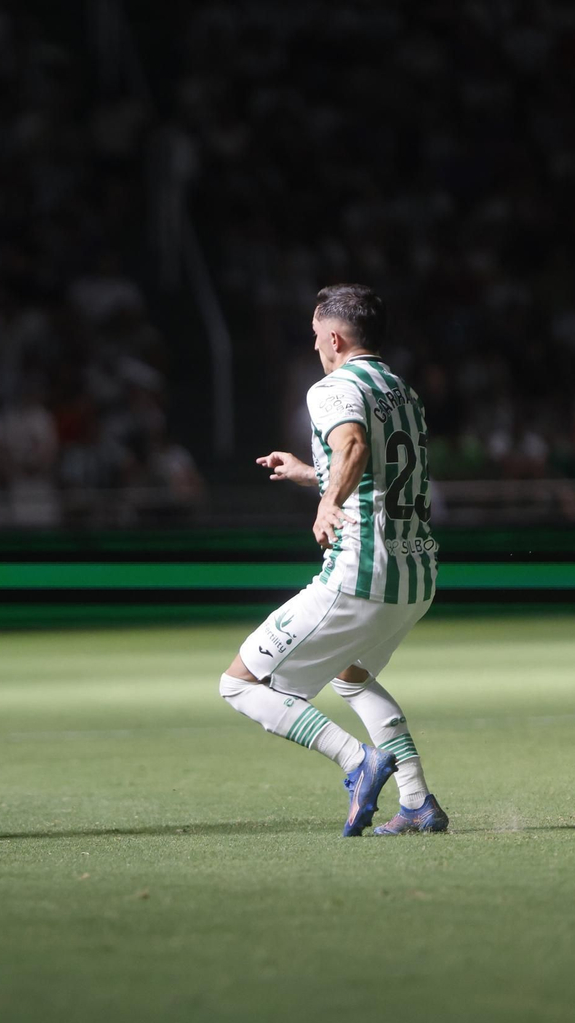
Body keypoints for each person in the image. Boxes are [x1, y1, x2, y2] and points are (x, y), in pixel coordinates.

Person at [219, 284, 446, 836]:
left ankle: (357, 760)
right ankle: (417, 802)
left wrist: (327, 502)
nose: (315, 344)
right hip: (416, 575)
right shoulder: (402, 390)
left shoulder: (333, 388)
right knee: (352, 677)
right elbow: (378, 471)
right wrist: (310, 474)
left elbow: (354, 447)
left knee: (241, 685)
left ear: (337, 337)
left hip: (361, 574)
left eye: (317, 334)